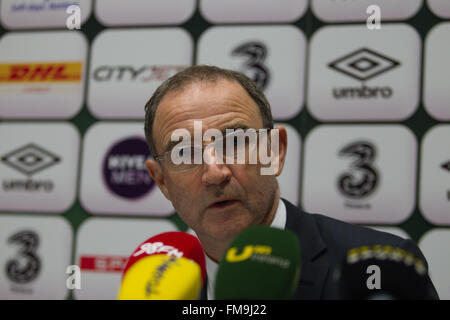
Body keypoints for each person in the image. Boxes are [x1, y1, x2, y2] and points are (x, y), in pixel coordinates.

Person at [143, 65, 439, 299]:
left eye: (235, 142)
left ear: (275, 151)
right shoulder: (160, 288)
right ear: (162, 182)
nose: (215, 172)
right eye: (185, 153)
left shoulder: (382, 272)